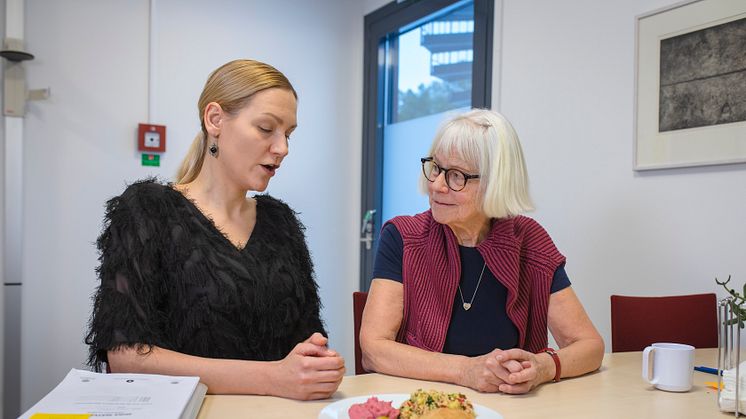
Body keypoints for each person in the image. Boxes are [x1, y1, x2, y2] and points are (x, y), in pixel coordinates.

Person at [85, 59, 345, 400]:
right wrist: (272, 378)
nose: (282, 148)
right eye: (266, 129)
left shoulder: (280, 223)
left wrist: (317, 364)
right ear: (215, 119)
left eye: (289, 135)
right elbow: (127, 357)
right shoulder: (147, 210)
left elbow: (305, 340)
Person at [360, 109, 604, 394]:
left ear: (495, 182)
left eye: (456, 176)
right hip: (424, 405)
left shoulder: (529, 241)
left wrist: (543, 367)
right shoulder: (403, 237)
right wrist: (466, 371)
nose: (436, 185)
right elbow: (373, 349)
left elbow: (591, 346)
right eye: (436, 168)